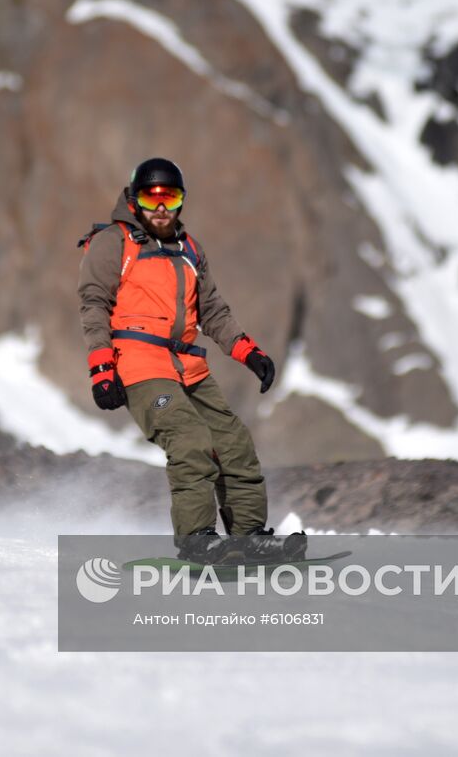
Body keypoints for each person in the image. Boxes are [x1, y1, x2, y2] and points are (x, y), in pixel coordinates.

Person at [77, 157, 307, 564]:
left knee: (234, 443)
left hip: (187, 366)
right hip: (140, 364)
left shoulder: (189, 249)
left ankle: (248, 536)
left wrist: (248, 353)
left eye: (171, 197)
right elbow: (94, 303)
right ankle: (198, 540)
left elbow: (212, 311)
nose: (162, 207)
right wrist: (101, 368)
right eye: (152, 197)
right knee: (190, 442)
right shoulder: (114, 243)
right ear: (134, 199)